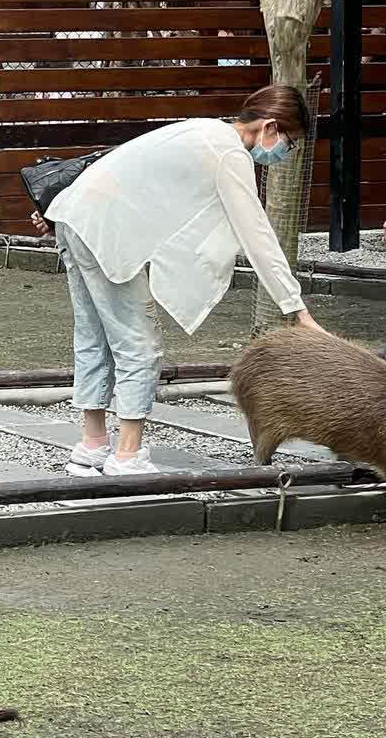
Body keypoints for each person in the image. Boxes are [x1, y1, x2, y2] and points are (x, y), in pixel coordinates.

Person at [40, 84, 324, 478]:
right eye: (288, 144)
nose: (283, 155)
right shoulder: (228, 152)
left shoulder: (204, 129)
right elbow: (255, 233)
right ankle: (128, 455)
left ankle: (91, 445)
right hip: (104, 231)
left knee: (94, 337)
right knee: (138, 344)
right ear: (271, 126)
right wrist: (295, 307)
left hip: (74, 216)